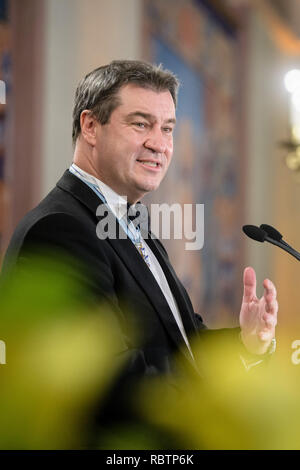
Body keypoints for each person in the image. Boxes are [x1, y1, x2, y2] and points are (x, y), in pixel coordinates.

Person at [2, 59, 277, 388]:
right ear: (90, 126)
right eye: (141, 124)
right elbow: (108, 383)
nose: (159, 144)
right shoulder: (59, 231)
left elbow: (182, 344)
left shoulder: (129, 218)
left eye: (167, 128)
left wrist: (247, 341)